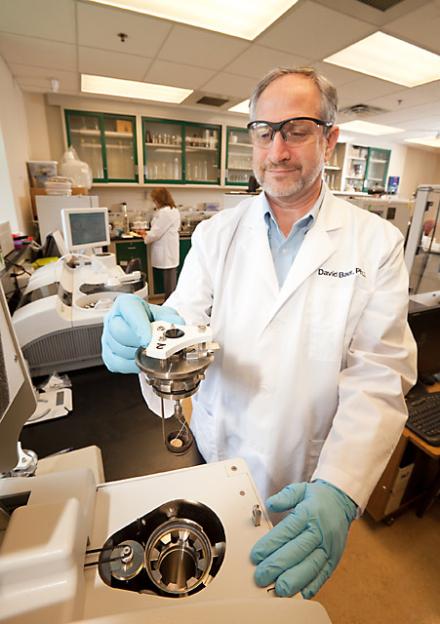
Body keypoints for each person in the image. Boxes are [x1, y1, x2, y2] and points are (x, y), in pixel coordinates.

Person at [102, 68, 417, 600]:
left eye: (296, 130)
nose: (278, 150)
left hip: (306, 471)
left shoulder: (375, 244)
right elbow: (183, 324)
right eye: (263, 131)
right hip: (215, 447)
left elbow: (378, 375)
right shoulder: (216, 234)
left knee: (282, 593)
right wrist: (149, 340)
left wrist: (341, 488)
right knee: (213, 588)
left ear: (329, 139)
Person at [144, 187, 181, 299]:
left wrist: (145, 236)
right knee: (169, 280)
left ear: (159, 199)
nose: (154, 202)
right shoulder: (171, 210)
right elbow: (158, 229)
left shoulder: (166, 212)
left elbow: (156, 233)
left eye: (154, 200)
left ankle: (170, 306)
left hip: (166, 251)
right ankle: (169, 303)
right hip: (168, 249)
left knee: (169, 282)